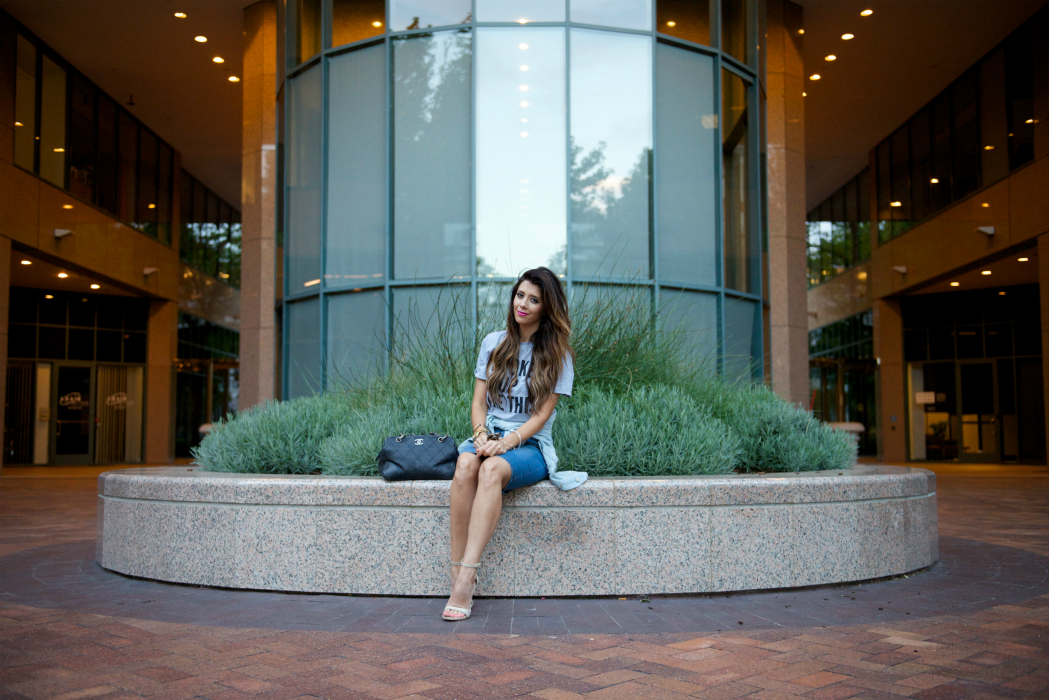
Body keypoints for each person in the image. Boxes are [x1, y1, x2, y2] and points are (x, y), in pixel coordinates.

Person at [443, 267, 587, 621]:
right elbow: (478, 402)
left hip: (530, 446)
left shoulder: (558, 355)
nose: (523, 304)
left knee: (490, 469)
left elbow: (540, 417)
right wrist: (480, 436)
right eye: (520, 295)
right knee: (465, 464)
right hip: (488, 434)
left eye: (534, 300)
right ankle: (456, 569)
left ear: (546, 308)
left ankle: (467, 578)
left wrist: (504, 444)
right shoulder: (493, 342)